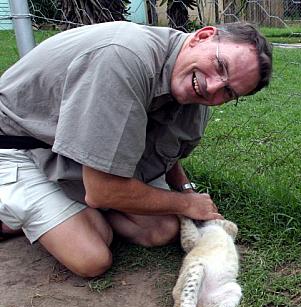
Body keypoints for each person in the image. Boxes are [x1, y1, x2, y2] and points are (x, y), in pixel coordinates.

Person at [0, 21, 272, 277]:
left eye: (228, 92)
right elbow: (103, 191)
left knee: (161, 229)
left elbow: (168, 152)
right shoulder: (123, 60)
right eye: (220, 65)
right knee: (92, 257)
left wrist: (188, 191)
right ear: (202, 36)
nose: (212, 88)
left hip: (70, 150)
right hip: (19, 142)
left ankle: (71, 210)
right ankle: (12, 216)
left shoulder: (194, 89)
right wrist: (187, 204)